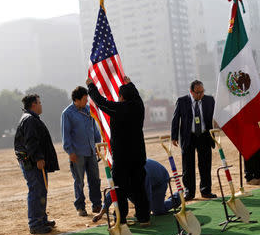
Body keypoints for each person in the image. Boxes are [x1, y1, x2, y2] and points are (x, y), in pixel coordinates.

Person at [86, 76, 151, 227]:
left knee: (119, 189)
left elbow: (101, 102)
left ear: (121, 97)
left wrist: (91, 87)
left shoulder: (119, 108)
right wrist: (130, 84)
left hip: (122, 157)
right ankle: (144, 218)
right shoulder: (139, 106)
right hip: (138, 156)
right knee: (139, 188)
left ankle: (121, 220)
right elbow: (137, 96)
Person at [14, 94, 59, 234]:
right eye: (39, 102)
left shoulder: (30, 118)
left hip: (33, 162)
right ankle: (35, 223)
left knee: (41, 190)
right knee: (36, 190)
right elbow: (31, 141)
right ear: (33, 105)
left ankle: (42, 219)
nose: (41, 105)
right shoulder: (29, 120)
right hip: (32, 163)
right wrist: (39, 158)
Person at [92, 159, 181, 222]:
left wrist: (144, 213)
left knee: (157, 211)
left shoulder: (140, 175)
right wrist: (101, 213)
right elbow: (111, 195)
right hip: (136, 185)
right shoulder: (117, 175)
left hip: (159, 180)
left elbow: (147, 194)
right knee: (127, 194)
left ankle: (178, 197)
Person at [171, 80, 217, 201]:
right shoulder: (182, 101)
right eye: (197, 92)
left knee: (205, 165)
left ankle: (206, 191)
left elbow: (216, 115)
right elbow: (175, 119)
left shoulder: (209, 100)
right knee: (188, 166)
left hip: (204, 136)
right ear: (191, 92)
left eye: (202, 92)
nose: (200, 95)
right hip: (188, 137)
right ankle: (189, 192)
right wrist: (174, 136)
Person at [61, 86, 102, 217]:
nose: (87, 101)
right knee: (79, 181)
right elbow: (66, 134)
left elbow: (94, 128)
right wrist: (70, 151)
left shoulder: (89, 110)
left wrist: (97, 143)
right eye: (84, 99)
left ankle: (97, 204)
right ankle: (80, 207)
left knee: (95, 179)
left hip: (91, 151)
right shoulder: (67, 114)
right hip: (77, 153)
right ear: (76, 100)